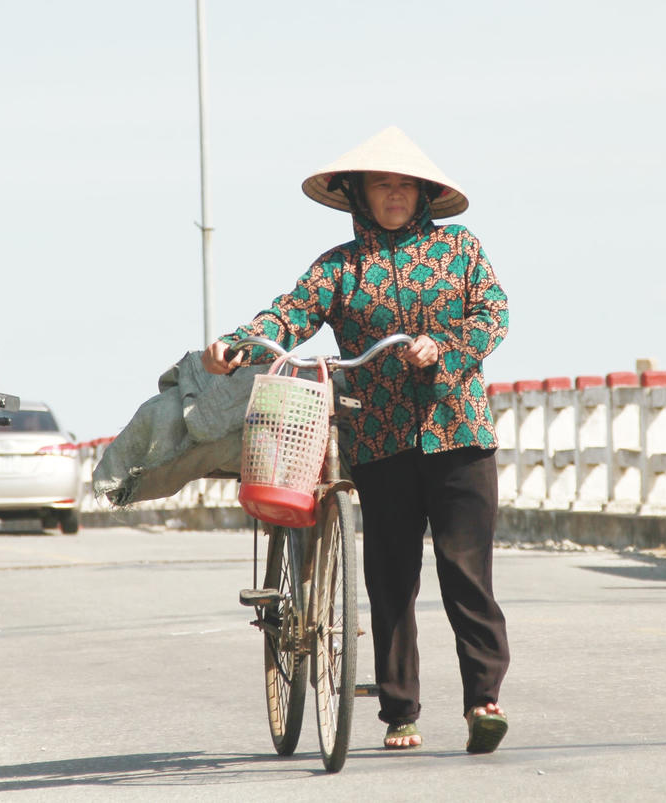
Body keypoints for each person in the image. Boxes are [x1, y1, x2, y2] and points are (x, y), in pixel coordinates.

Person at [202, 127, 511, 754]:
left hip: (459, 434)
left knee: (465, 574)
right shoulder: (339, 268)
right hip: (379, 441)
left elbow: (494, 314)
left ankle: (483, 698)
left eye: (404, 185)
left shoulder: (460, 250)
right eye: (381, 185)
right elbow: (287, 313)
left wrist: (444, 347)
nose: (394, 194)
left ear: (422, 193)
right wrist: (236, 343)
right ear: (359, 195)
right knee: (390, 577)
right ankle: (401, 712)